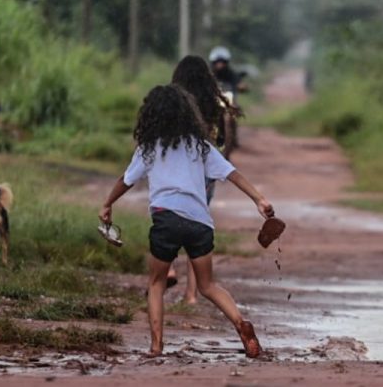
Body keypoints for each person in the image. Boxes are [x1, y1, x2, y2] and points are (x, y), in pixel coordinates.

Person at [98, 84, 273, 358]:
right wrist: (259, 199)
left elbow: (126, 181)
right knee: (208, 286)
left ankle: (156, 347)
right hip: (199, 224)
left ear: (151, 115)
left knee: (156, 284)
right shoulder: (200, 147)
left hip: (166, 220)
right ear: (187, 114)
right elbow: (232, 173)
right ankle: (240, 323)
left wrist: (108, 204)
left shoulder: (149, 148)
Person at [166, 55, 240, 304]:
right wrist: (222, 162)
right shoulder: (213, 103)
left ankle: (169, 268)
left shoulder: (174, 101)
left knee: (168, 217)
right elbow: (223, 138)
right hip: (205, 172)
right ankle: (191, 295)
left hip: (176, 168)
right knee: (197, 225)